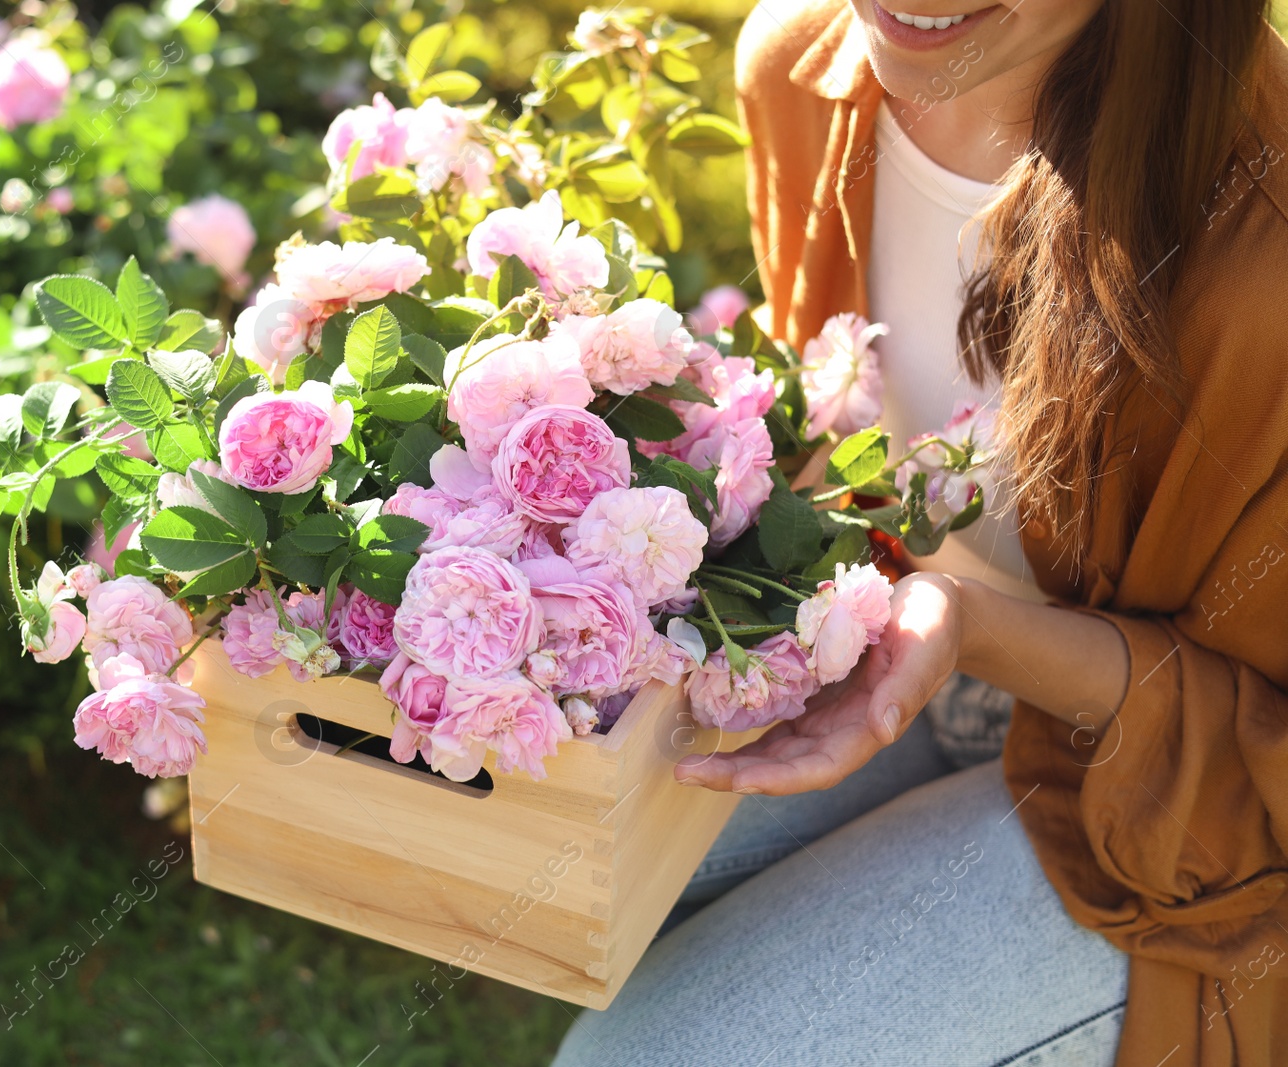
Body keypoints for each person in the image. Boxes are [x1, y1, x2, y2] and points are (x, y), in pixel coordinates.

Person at [551, 0, 1288, 1064]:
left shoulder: (1263, 240)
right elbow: (838, 437)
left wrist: (973, 627)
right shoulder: (806, 70)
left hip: (1168, 804)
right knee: (564, 859)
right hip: (910, 651)